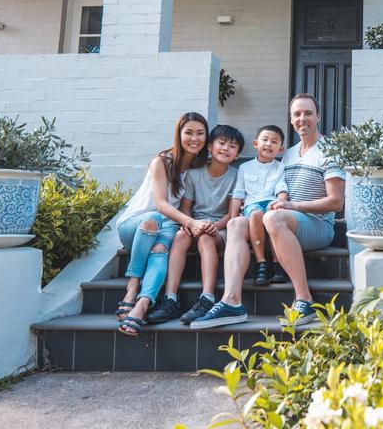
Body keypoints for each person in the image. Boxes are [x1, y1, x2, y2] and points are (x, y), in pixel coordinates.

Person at [191, 94, 345, 329]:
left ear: (318, 116)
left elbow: (336, 202)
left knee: (273, 217)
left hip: (316, 225)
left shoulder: (330, 151)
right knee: (236, 224)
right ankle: (231, 301)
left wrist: (292, 205)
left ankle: (305, 299)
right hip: (283, 222)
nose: (302, 118)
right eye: (297, 114)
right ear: (291, 119)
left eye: (308, 113)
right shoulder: (289, 153)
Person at [115, 112, 208, 336]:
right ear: (178, 134)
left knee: (160, 249)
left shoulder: (198, 168)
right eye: (188, 133)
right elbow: (161, 205)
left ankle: (142, 304)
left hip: (167, 226)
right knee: (155, 219)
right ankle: (132, 285)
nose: (194, 138)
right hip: (136, 225)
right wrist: (191, 222)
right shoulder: (161, 162)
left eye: (200, 133)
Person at [146, 124, 243, 325]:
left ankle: (207, 298)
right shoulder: (194, 173)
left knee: (206, 238)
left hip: (221, 229)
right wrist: (192, 224)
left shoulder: (236, 176)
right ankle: (170, 299)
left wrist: (214, 225)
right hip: (195, 225)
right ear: (209, 146)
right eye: (221, 143)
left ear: (237, 154)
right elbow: (186, 207)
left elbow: (231, 214)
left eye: (232, 146)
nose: (225, 148)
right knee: (180, 236)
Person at [234, 125, 290, 286]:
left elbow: (281, 188)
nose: (268, 144)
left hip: (271, 204)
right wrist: (232, 218)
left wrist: (281, 203)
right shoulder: (245, 168)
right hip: (252, 207)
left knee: (274, 217)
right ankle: (261, 262)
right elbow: (238, 194)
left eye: (274, 142)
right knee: (257, 214)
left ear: (281, 149)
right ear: (255, 143)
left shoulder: (280, 167)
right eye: (265, 140)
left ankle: (277, 262)